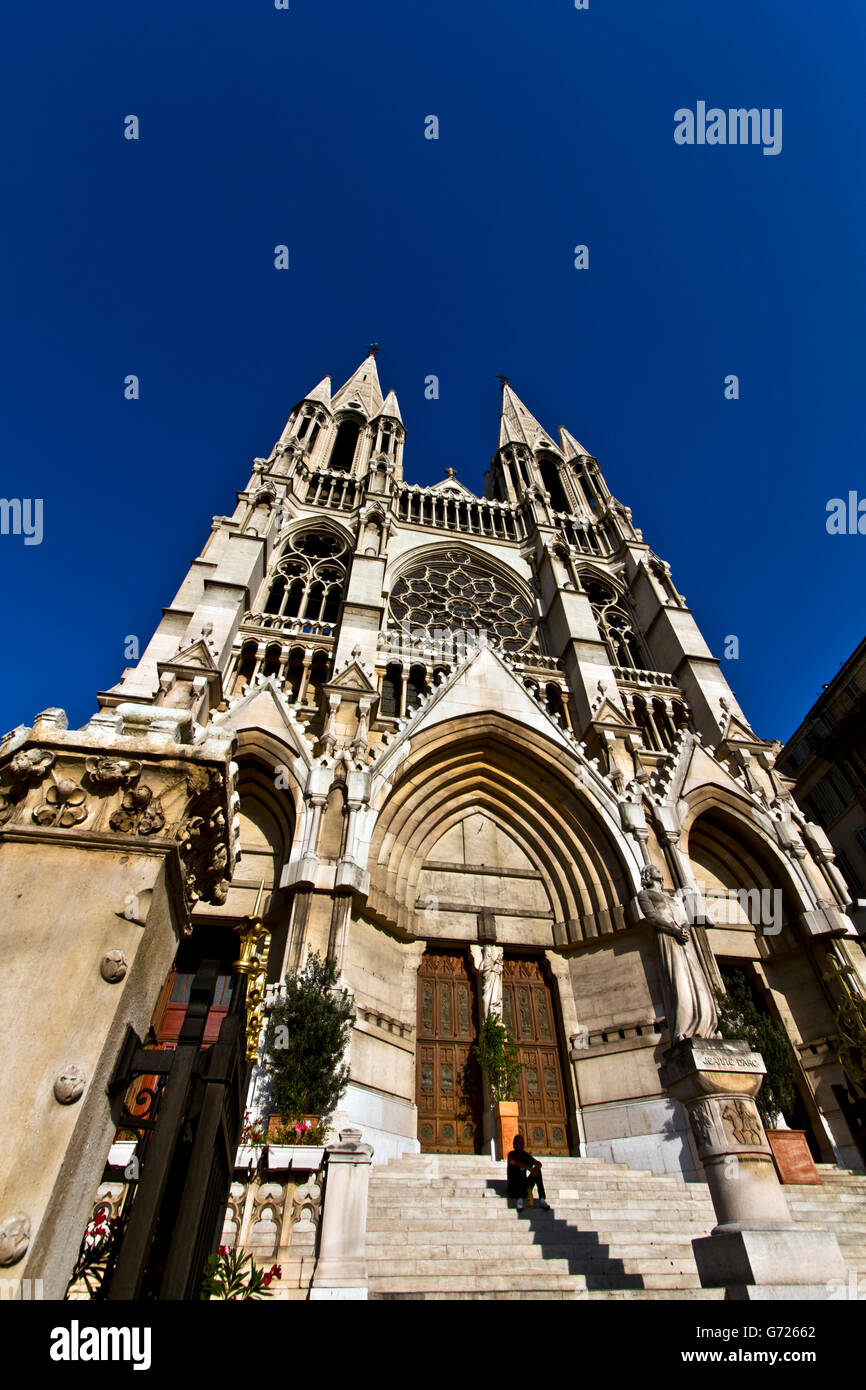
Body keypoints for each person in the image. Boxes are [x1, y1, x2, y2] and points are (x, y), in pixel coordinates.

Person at [507, 1133, 550, 1211]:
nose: (520, 1145)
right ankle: (519, 1201)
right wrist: (528, 1168)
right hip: (514, 1189)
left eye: (522, 1143)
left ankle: (542, 1199)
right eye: (518, 1143)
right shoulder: (511, 1154)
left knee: (538, 1171)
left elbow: (538, 1163)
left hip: (524, 1188)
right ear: (514, 1144)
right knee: (518, 1170)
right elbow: (513, 1162)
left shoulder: (525, 1155)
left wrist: (537, 1167)